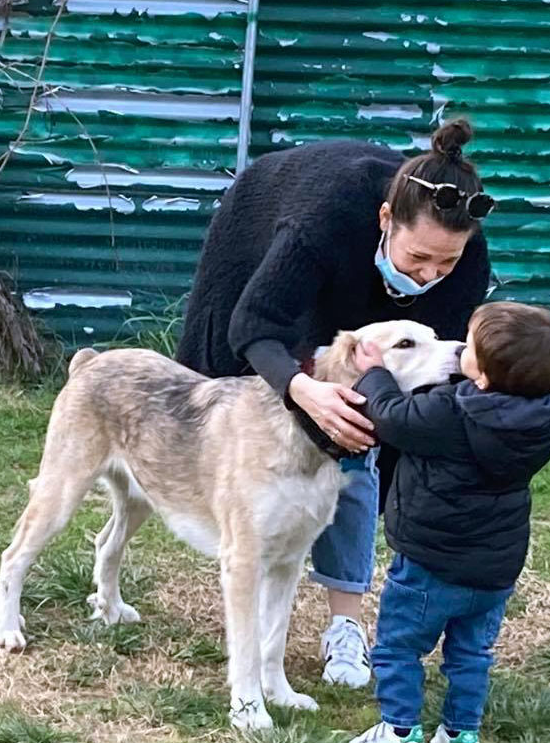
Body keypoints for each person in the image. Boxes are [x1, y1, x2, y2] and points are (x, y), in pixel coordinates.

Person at [176, 118, 495, 688]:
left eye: (444, 265)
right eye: (419, 257)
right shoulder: (321, 221)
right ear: (385, 220)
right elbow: (251, 327)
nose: (430, 274)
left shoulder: (462, 260)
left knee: (360, 447)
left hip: (384, 322)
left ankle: (344, 625)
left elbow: (432, 392)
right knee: (245, 419)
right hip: (265, 235)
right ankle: (241, 538)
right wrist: (302, 390)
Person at [347, 302, 550, 743]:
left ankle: (401, 733)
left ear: (483, 378)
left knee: (398, 647)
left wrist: (373, 373)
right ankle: (461, 737)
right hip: (495, 570)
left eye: (471, 347)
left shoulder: (450, 412)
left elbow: (390, 416)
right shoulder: (544, 418)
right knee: (471, 654)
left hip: (430, 562)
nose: (459, 348)